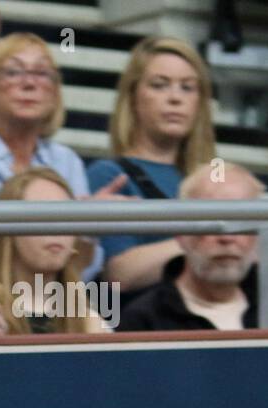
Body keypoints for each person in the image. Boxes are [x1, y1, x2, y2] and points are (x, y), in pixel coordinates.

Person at [0, 32, 129, 282]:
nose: (29, 83)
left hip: (56, 302)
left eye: (42, 73)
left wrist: (86, 233)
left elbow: (85, 273)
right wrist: (54, 245)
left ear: (55, 94)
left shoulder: (66, 161)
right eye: (13, 72)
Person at [86, 37, 216, 294]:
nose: (175, 98)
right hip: (141, 326)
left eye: (187, 88)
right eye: (159, 85)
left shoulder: (213, 179)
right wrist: (210, 240)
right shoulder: (109, 174)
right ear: (133, 97)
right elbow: (120, 274)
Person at [0, 168, 107, 335]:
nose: (57, 228)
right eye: (41, 216)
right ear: (9, 232)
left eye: (66, 217)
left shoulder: (92, 325)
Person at [118, 163, 263, 332]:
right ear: (181, 232)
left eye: (242, 221)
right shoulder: (143, 321)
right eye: (211, 222)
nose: (227, 237)